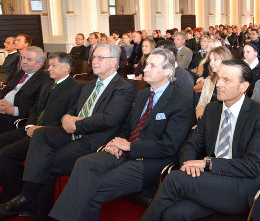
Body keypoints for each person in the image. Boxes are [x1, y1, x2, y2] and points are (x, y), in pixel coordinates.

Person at [49, 48, 193, 221]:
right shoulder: (143, 94)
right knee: (84, 163)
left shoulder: (180, 101)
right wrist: (118, 141)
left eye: (152, 66)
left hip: (150, 161)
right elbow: (128, 126)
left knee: (92, 187)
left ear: (168, 71)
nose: (145, 69)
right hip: (125, 150)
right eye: (146, 64)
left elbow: (170, 146)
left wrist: (130, 146)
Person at [0, 43, 135, 219]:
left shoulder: (123, 87)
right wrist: (66, 118)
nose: (94, 61)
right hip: (72, 131)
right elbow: (73, 110)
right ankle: (28, 196)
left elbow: (110, 118)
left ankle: (36, 206)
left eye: (100, 58)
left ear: (114, 62)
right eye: (94, 57)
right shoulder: (89, 84)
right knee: (41, 134)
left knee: (46, 162)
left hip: (94, 139)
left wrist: (76, 124)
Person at [140, 59, 260, 221]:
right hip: (212, 182)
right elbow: (191, 143)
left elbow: (252, 166)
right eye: (218, 78)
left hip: (243, 187)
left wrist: (208, 163)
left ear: (243, 87)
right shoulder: (212, 110)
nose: (218, 84)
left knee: (175, 179)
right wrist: (190, 164)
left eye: (226, 80)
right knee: (173, 214)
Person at [0, 52, 82, 203]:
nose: (48, 69)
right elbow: (35, 109)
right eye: (49, 65)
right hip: (31, 128)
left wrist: (40, 128)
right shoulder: (47, 85)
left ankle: (12, 197)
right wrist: (30, 125)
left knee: (7, 153)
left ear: (66, 68)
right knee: (2, 140)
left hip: (47, 134)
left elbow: (66, 117)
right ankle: (12, 188)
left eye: (53, 65)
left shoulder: (75, 88)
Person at [0, 46, 50, 134]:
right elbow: (5, 91)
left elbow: (38, 107)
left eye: (29, 59)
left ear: (39, 63)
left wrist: (14, 110)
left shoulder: (45, 79)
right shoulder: (20, 73)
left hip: (16, 117)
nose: (24, 61)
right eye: (23, 58)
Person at [195, 46, 232, 120]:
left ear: (225, 60)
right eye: (210, 60)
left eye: (215, 59)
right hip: (207, 119)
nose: (211, 63)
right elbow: (201, 105)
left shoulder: (234, 81)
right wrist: (201, 119)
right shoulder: (209, 80)